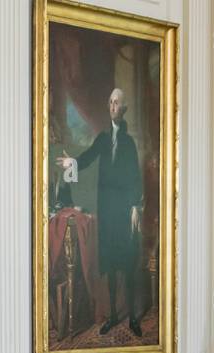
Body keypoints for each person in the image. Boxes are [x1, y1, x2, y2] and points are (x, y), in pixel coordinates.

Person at [56, 88, 144, 335]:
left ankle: (133, 319)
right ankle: (114, 316)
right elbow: (87, 157)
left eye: (118, 103)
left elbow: (135, 177)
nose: (114, 106)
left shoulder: (128, 143)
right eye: (111, 102)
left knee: (127, 264)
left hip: (125, 211)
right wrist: (71, 163)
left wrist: (136, 207)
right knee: (112, 263)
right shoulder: (104, 138)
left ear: (124, 109)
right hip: (107, 210)